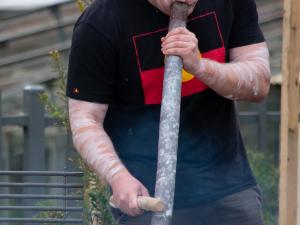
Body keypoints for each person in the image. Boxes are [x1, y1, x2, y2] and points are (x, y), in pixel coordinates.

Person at [66, 0, 271, 224]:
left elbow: (259, 82)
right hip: (147, 198)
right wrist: (117, 177)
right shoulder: (100, 24)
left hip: (229, 188)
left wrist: (201, 67)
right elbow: (85, 119)